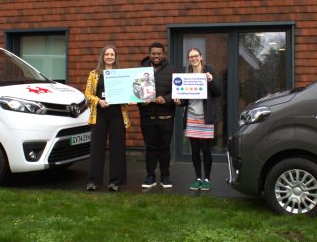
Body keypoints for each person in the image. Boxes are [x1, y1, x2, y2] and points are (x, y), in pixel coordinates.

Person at [84, 45, 131, 192]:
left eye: (112, 54)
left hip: (117, 114)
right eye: (107, 54)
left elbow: (128, 93)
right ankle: (93, 181)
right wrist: (98, 101)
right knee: (96, 148)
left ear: (115, 57)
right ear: (102, 57)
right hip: (99, 114)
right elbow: (87, 95)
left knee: (118, 148)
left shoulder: (122, 74)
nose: (109, 57)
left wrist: (131, 99)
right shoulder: (94, 74)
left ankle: (115, 182)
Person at [179, 48, 221, 191]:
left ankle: (207, 179)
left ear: (201, 57)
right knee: (195, 150)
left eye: (196, 56)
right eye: (191, 57)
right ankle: (197, 178)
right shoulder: (187, 76)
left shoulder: (209, 71)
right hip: (191, 117)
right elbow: (185, 99)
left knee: (206, 150)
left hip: (205, 117)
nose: (194, 58)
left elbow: (218, 92)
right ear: (188, 59)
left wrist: (211, 80)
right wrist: (179, 101)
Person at [138, 42, 178, 189]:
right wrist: (142, 102)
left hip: (166, 117)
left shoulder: (172, 71)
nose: (156, 56)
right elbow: (135, 92)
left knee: (165, 148)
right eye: (153, 53)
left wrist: (166, 99)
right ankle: (150, 176)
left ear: (163, 55)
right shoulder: (140, 72)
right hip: (147, 117)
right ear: (149, 54)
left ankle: (165, 176)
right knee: (150, 148)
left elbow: (178, 91)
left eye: (159, 54)